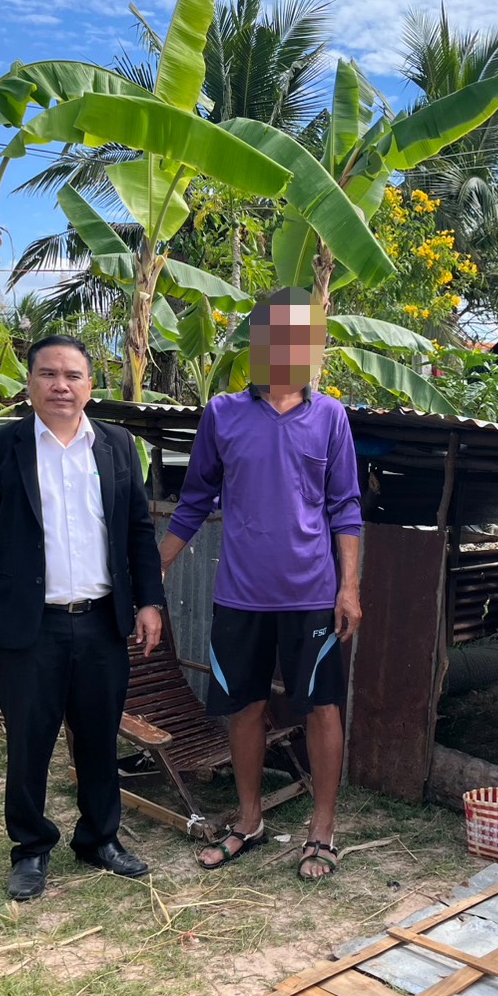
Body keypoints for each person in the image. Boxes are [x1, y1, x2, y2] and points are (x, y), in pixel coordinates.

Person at [159, 287, 363, 881]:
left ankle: (322, 828)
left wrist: (349, 588)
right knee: (244, 709)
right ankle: (249, 821)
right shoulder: (222, 414)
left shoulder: (330, 417)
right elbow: (194, 501)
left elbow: (345, 507)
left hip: (312, 596)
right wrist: (157, 566)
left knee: (322, 708)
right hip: (239, 596)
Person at [0, 335, 165, 902]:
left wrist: (149, 601)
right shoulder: (2, 446)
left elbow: (138, 529)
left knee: (98, 736)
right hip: (31, 624)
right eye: (48, 374)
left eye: (73, 376)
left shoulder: (116, 445)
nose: (60, 386)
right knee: (30, 741)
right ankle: (31, 847)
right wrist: (20, 566)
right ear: (29, 384)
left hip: (100, 621)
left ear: (89, 386)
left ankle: (99, 839)